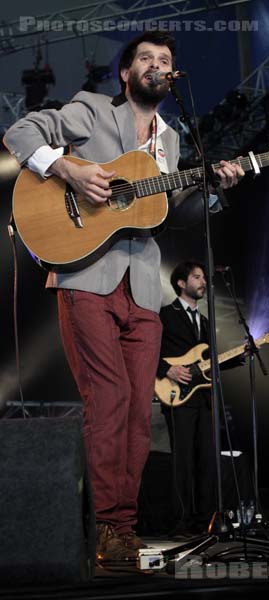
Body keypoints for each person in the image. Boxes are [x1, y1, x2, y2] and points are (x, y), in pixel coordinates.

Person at [3, 30, 244, 562]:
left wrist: (214, 187)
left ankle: (121, 529)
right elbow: (21, 131)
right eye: (147, 59)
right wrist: (69, 168)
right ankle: (103, 527)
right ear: (127, 73)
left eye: (166, 60)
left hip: (141, 282)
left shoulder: (174, 140)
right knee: (108, 400)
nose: (158, 65)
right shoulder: (91, 110)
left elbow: (168, 213)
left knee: (140, 410)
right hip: (86, 276)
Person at [157, 261, 244, 537]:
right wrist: (166, 369)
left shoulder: (206, 322)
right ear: (181, 283)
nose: (203, 281)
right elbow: (145, 351)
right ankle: (180, 522)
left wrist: (239, 357)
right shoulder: (164, 315)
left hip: (204, 397)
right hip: (176, 396)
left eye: (204, 277)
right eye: (197, 277)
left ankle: (203, 521)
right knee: (182, 461)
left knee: (207, 460)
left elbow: (209, 363)